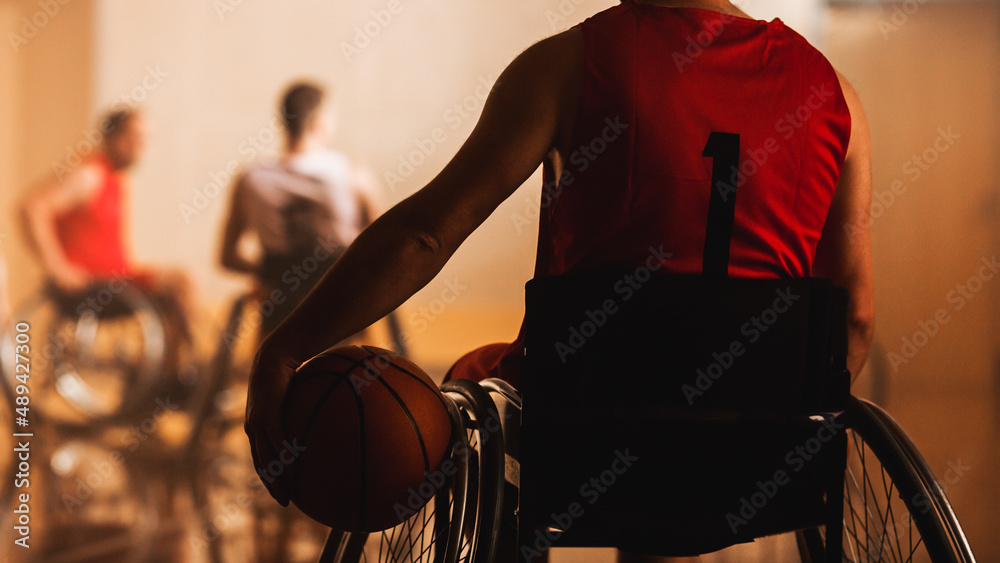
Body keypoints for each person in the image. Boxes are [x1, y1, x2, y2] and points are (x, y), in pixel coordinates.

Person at [245, 0, 875, 560]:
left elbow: (425, 236)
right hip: (761, 456)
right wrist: (781, 427)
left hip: (587, 433)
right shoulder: (835, 92)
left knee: (476, 379)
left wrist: (285, 350)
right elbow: (856, 317)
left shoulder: (569, 63)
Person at [19, 108, 194, 372]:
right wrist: (57, 267)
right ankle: (174, 377)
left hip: (119, 281)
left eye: (143, 142)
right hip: (96, 285)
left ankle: (175, 374)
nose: (139, 149)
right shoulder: (89, 174)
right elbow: (32, 208)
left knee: (183, 286)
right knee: (184, 280)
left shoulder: (115, 180)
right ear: (112, 137)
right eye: (133, 140)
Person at [220, 81, 382, 341]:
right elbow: (382, 248)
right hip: (340, 303)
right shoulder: (352, 173)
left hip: (277, 308)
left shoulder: (249, 179)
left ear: (283, 121)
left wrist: (271, 275)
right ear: (321, 122)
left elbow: (226, 257)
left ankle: (265, 374)